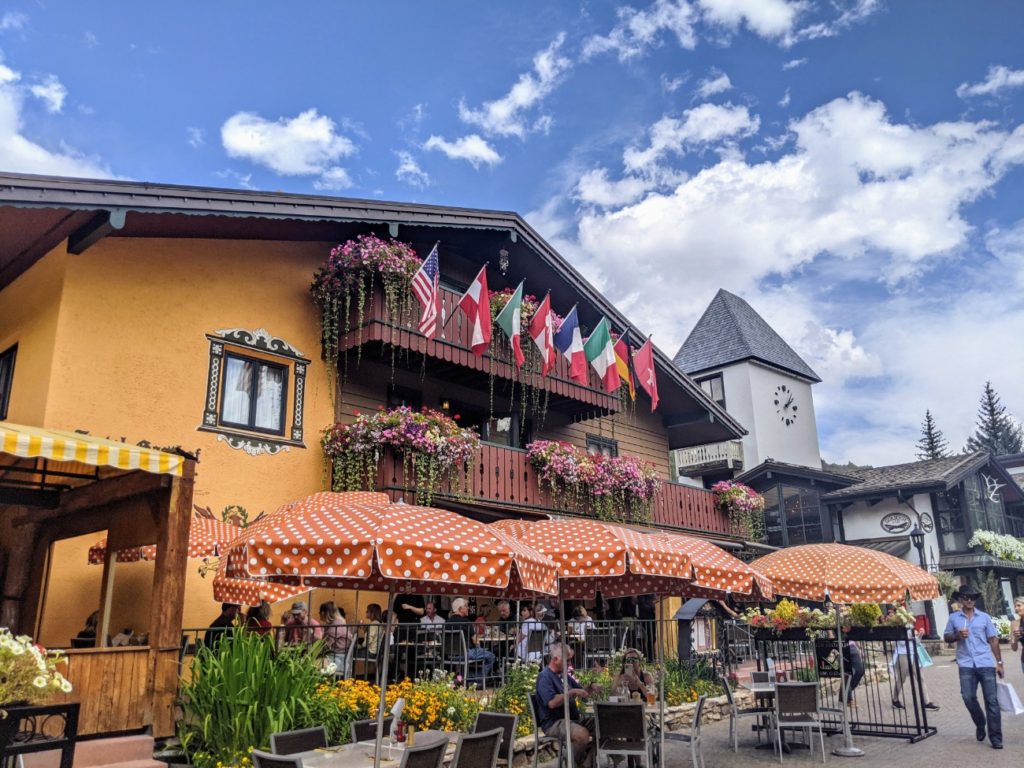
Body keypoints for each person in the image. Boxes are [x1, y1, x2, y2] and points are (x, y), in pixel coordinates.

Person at [943, 587, 1004, 749]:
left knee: (992, 701)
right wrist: (957, 636)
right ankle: (980, 722)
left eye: (972, 598)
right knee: (968, 697)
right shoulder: (954, 618)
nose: (969, 600)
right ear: (961, 600)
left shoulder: (984, 617)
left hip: (985, 663)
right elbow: (946, 637)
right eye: (966, 597)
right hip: (966, 665)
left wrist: (999, 663)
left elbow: (993, 640)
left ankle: (996, 738)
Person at [536, 642, 595, 768]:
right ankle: (573, 763)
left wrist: (591, 687)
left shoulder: (564, 675)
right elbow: (551, 703)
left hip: (572, 719)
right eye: (567, 661)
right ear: (555, 659)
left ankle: (585, 763)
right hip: (554, 722)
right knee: (582, 734)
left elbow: (581, 691)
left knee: (604, 725)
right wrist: (571, 692)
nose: (569, 664)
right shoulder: (545, 677)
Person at [446, 597, 495, 682]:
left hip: (450, 656)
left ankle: (462, 678)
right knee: (491, 656)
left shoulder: (446, 623)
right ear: (460, 609)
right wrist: (480, 648)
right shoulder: (466, 622)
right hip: (466, 654)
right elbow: (476, 641)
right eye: (466, 606)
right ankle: (475, 679)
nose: (468, 608)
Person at [890, 626, 939, 711]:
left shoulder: (910, 627)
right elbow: (902, 643)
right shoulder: (898, 628)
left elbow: (916, 642)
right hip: (903, 655)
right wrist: (912, 636)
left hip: (914, 654)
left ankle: (926, 702)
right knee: (902, 679)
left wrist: (920, 635)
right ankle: (895, 700)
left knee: (921, 678)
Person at [319, 602, 352, 670]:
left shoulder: (335, 626)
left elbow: (324, 646)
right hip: (340, 657)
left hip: (337, 660)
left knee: (310, 664)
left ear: (324, 613)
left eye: (320, 613)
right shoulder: (340, 622)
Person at [1010, 596, 1024, 674]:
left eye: (1019, 605)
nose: (1016, 608)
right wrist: (1015, 638)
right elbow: (1014, 648)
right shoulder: (1015, 623)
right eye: (1015, 606)